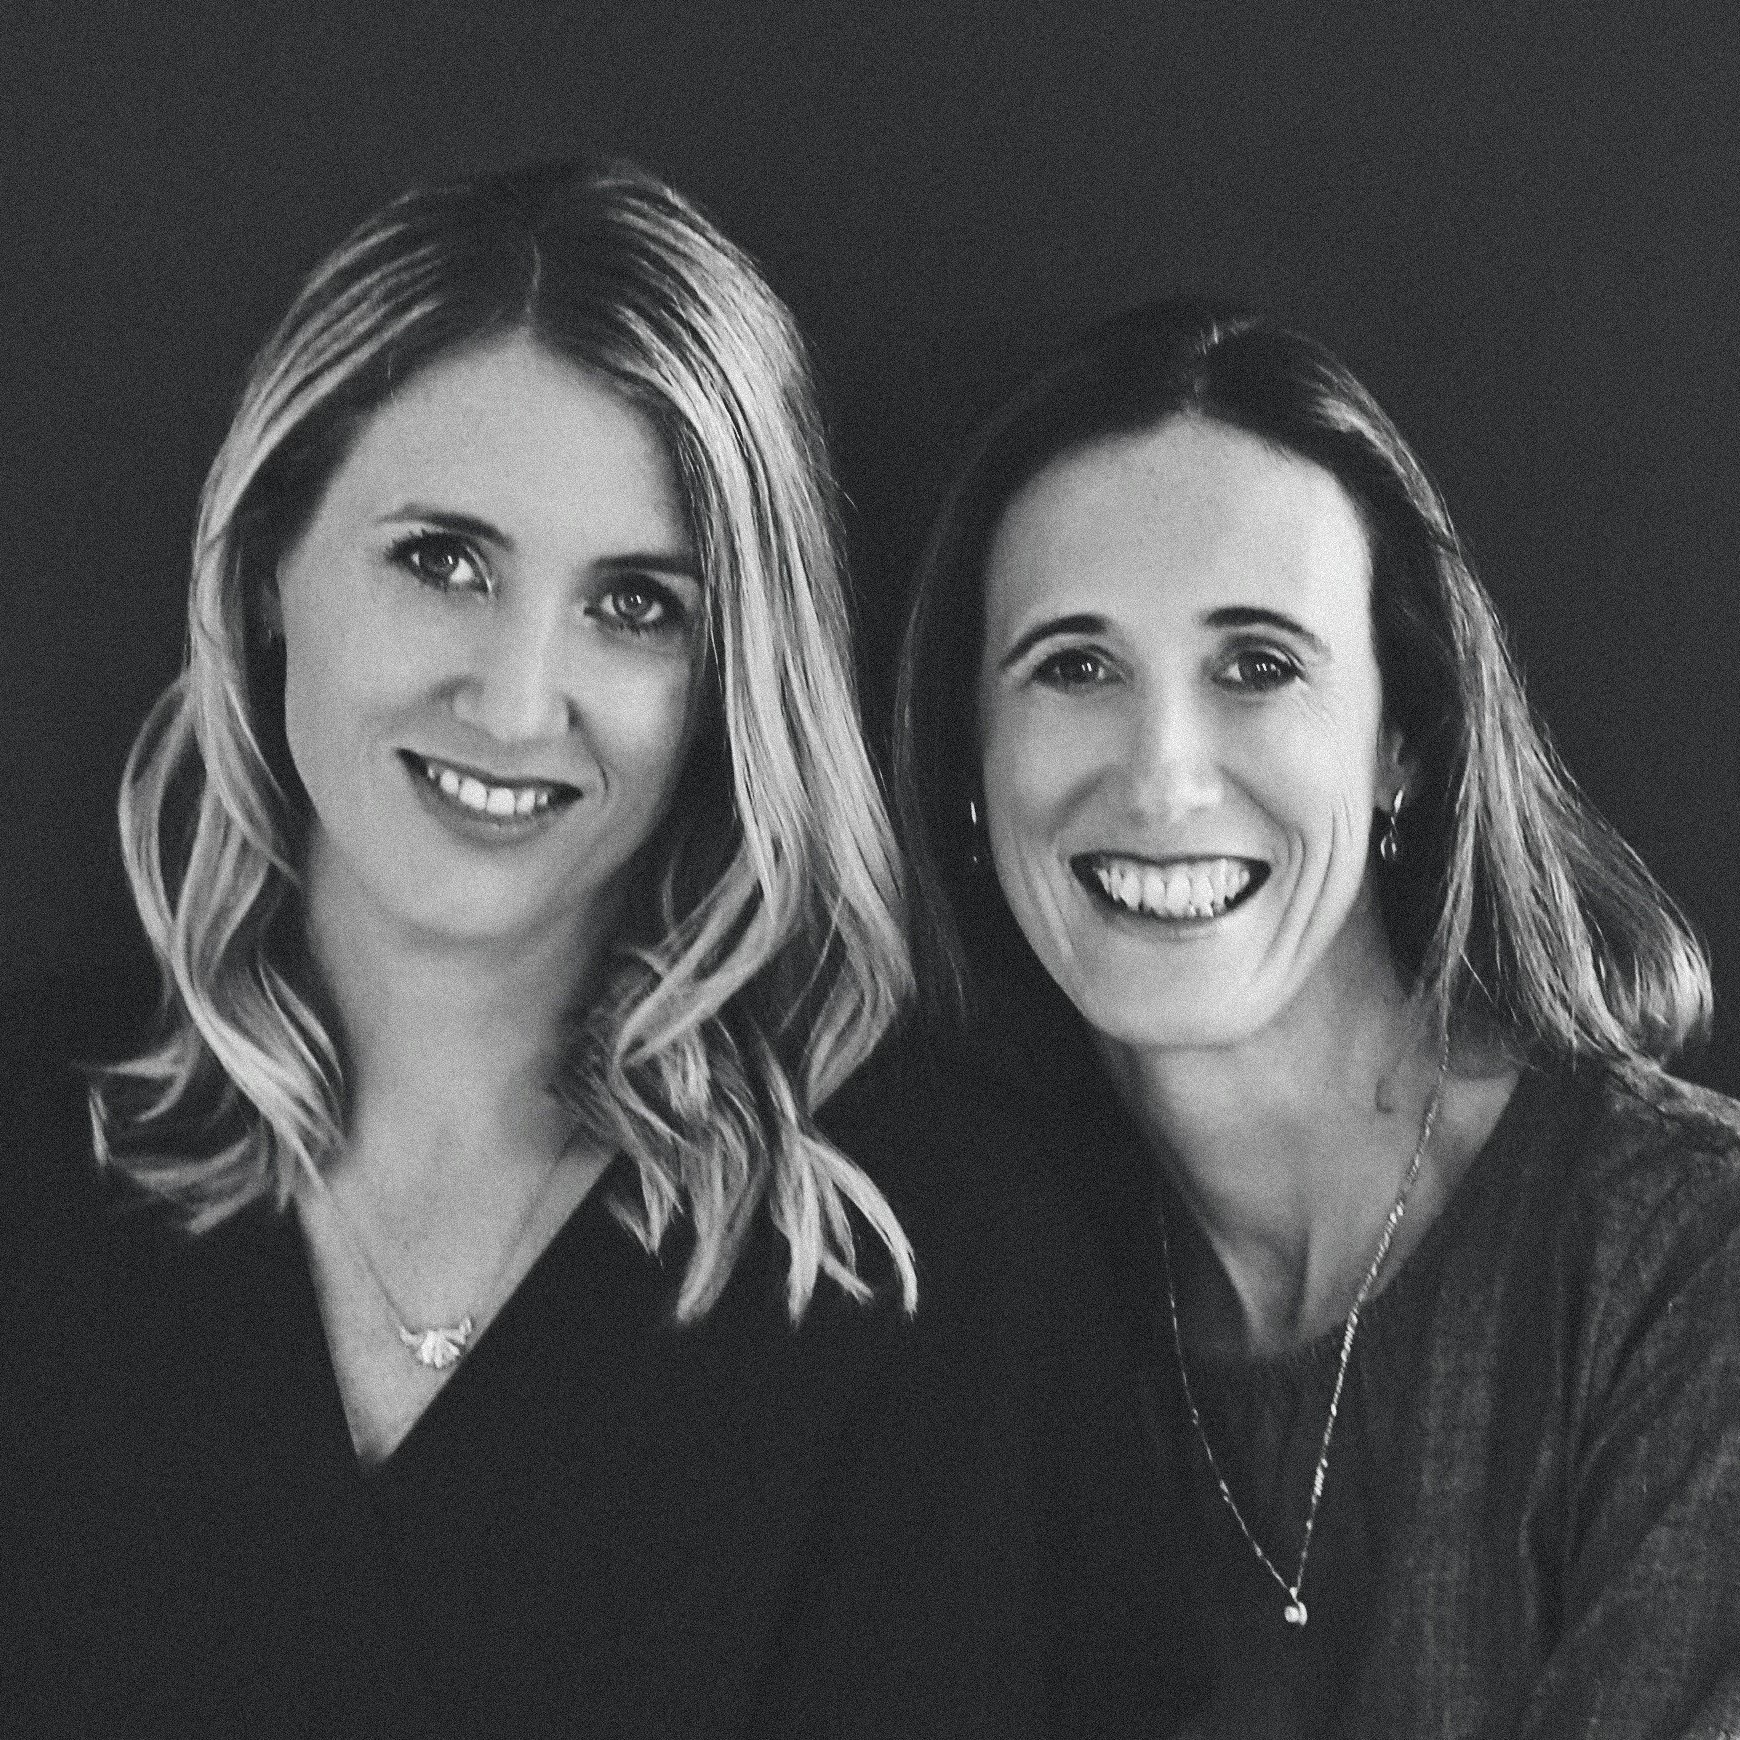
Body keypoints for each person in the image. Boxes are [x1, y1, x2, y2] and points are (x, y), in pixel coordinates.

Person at [1, 158, 1017, 1738]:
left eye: (637, 607)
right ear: (268, 565)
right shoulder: (30, 1145)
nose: (519, 699)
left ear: (729, 678)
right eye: (444, 562)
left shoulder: (913, 1263)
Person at [895, 298, 1740, 1736]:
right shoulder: (968, 1304)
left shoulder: (1680, 1269)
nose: (1162, 778)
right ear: (969, 757)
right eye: (1074, 666)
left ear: (1403, 739)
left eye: (1259, 666)